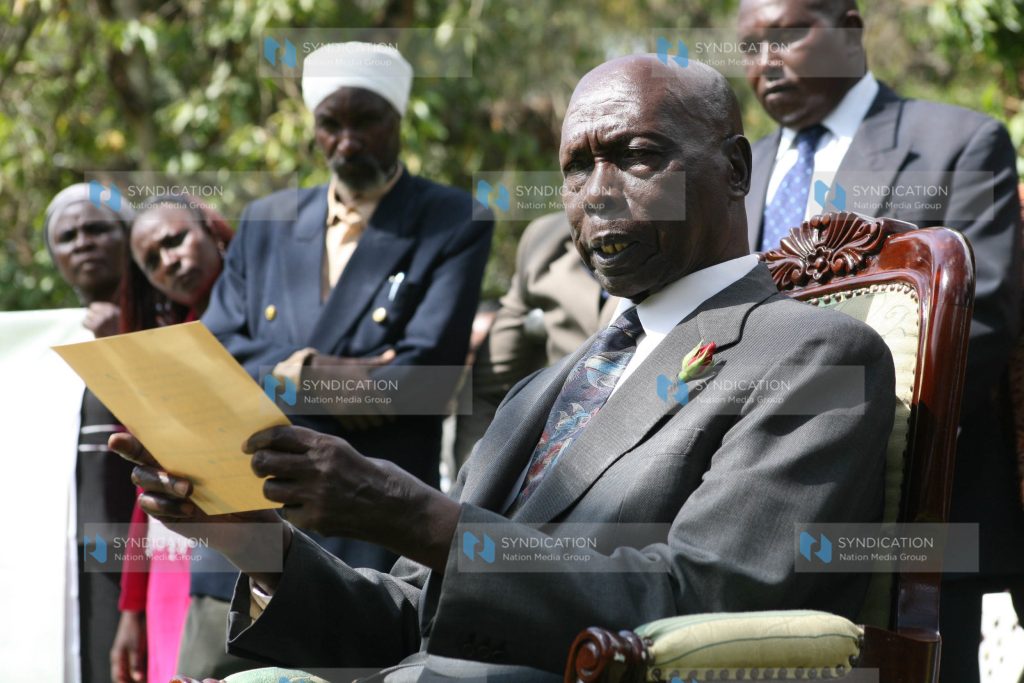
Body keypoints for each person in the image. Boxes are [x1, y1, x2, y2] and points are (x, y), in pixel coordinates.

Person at [113, 56, 896, 682]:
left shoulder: (814, 356)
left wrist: (415, 514)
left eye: (637, 155)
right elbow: (412, 615)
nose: (599, 195)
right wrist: (256, 542)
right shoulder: (546, 388)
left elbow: (705, 606)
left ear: (734, 168)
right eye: (576, 168)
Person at [736, 1, 1024, 678]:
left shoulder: (957, 141)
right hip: (753, 513)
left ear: (850, 28)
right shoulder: (740, 178)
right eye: (750, 48)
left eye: (788, 35)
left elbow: (981, 317)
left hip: (912, 512)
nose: (767, 61)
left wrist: (826, 414)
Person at [193, 41, 493, 675]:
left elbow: (424, 384)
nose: (349, 142)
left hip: (369, 538)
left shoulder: (452, 219)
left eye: (367, 122)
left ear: (399, 121)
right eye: (332, 123)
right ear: (313, 127)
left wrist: (281, 372)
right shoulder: (267, 221)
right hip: (246, 526)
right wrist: (324, 377)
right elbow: (212, 364)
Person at [110, 194, 245, 683]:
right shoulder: (168, 347)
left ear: (212, 231)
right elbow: (148, 485)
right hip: (178, 555)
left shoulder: (273, 320)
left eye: (176, 239)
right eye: (152, 261)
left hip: (263, 552)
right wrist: (131, 611)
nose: (169, 261)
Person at [43, 183, 138, 682]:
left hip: (148, 560)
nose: (83, 241)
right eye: (68, 235)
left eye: (97, 228)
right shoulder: (38, 348)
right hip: (60, 564)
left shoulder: (170, 322)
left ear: (128, 237)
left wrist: (120, 345)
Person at [453, 212, 620, 471]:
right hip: (553, 469)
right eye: (579, 169)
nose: (599, 185)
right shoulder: (545, 240)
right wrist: (475, 488)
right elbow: (492, 386)